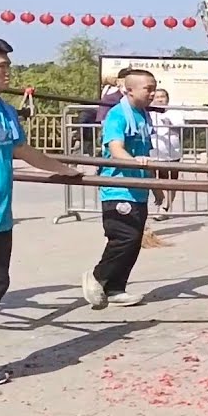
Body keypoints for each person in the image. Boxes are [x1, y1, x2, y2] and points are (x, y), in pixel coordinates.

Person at [0, 37, 81, 386]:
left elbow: (22, 150)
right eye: (1, 67)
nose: (8, 73)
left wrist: (63, 170)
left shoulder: (2, 108)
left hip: (1, 216)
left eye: (8, 66)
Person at [83, 68, 157, 310]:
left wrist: (156, 186)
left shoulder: (144, 115)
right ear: (130, 89)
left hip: (139, 187)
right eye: (148, 88)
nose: (153, 93)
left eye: (154, 88)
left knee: (134, 240)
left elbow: (147, 153)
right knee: (123, 238)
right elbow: (116, 148)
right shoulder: (118, 115)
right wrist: (134, 163)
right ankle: (97, 276)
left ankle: (115, 288)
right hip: (118, 188)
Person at [147, 89, 184, 218]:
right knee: (154, 180)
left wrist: (170, 123)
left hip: (171, 153)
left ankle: (165, 208)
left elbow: (181, 126)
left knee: (170, 182)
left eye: (162, 96)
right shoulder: (148, 112)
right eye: (157, 97)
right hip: (153, 153)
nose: (160, 99)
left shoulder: (173, 112)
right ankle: (160, 200)